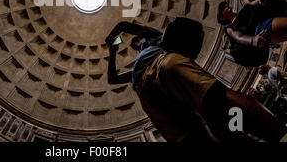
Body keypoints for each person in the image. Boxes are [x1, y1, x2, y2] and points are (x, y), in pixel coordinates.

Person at [106, 17, 285, 141]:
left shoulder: (154, 40)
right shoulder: (139, 65)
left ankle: (276, 132)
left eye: (137, 41)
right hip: (147, 91)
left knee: (217, 101)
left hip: (164, 65)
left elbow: (125, 25)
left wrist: (112, 34)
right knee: (190, 134)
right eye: (136, 45)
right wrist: (112, 52)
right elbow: (113, 79)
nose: (137, 44)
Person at [217, 1, 287, 66]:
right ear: (223, 17)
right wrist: (252, 40)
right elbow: (238, 37)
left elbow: (260, 1)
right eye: (223, 9)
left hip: (267, 21)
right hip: (263, 29)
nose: (226, 6)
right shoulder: (229, 28)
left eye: (225, 5)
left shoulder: (243, 11)